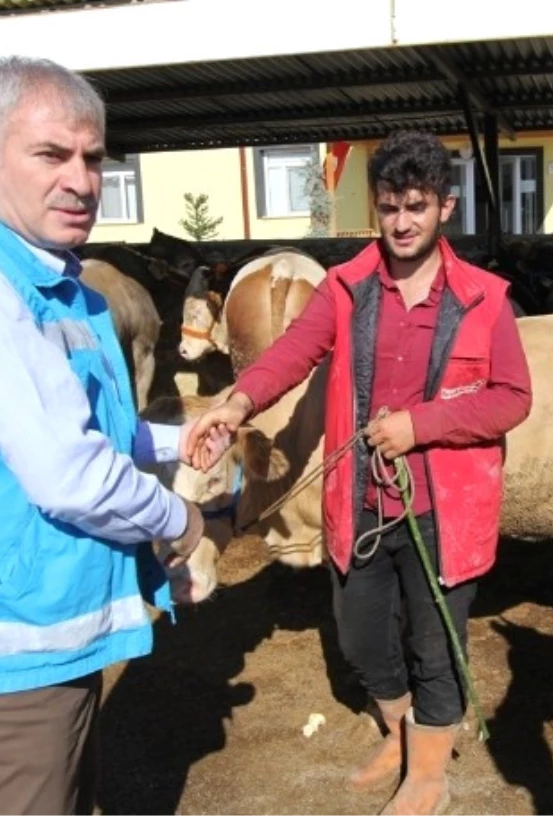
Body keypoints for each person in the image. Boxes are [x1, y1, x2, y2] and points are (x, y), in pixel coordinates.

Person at [0, 56, 217, 815]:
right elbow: (70, 472)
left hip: (36, 640)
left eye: (92, 158)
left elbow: (77, 428)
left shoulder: (56, 285)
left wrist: (170, 445)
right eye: (51, 154)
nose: (82, 180)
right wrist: (181, 520)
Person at [184, 129, 533, 815]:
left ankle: (429, 773)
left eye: (417, 206)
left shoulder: (484, 298)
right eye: (390, 207)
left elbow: (512, 399)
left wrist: (421, 425)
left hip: (441, 506)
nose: (402, 222)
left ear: (445, 207)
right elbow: (291, 353)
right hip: (362, 501)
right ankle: (403, 735)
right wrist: (235, 403)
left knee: (435, 640)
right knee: (361, 635)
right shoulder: (346, 288)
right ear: (375, 208)